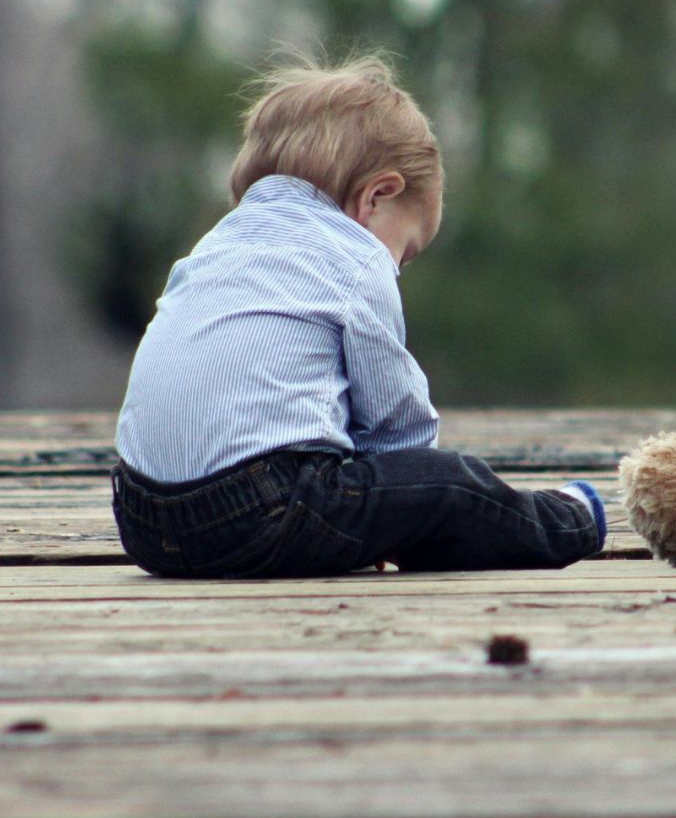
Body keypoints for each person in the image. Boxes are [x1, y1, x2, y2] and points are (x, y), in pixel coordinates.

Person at [111, 53, 605, 578]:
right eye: (407, 252)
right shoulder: (355, 256)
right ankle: (569, 519)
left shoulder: (215, 245)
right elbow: (396, 425)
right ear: (377, 196)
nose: (397, 268)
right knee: (452, 485)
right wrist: (405, 505)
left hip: (142, 520)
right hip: (259, 513)